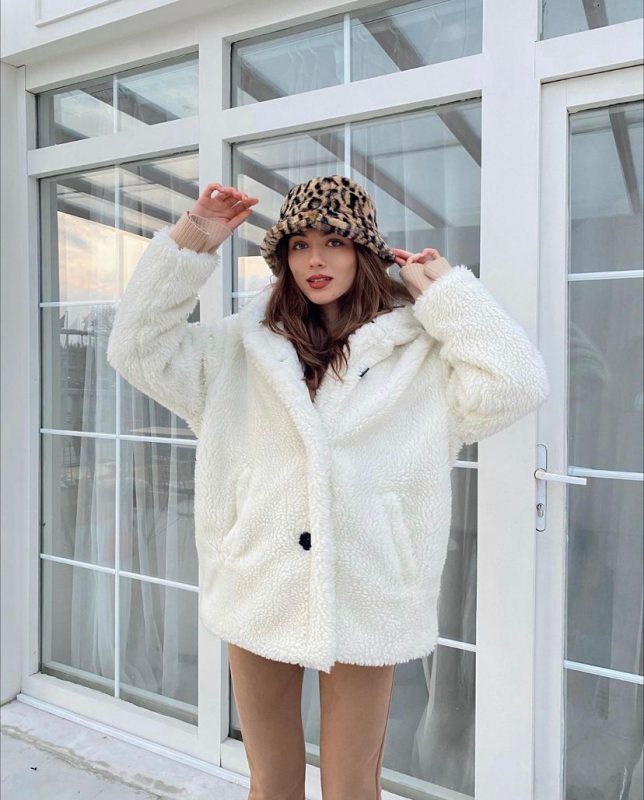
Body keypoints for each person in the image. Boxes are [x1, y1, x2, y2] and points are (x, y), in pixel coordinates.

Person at [107, 175, 550, 799]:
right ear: (283, 258)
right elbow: (136, 348)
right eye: (300, 245)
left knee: (352, 787)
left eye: (334, 242)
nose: (315, 260)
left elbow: (517, 383)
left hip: (368, 588)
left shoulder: (419, 353)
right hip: (258, 580)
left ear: (362, 252)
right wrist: (194, 238)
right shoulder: (238, 347)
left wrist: (448, 294)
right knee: (272, 783)